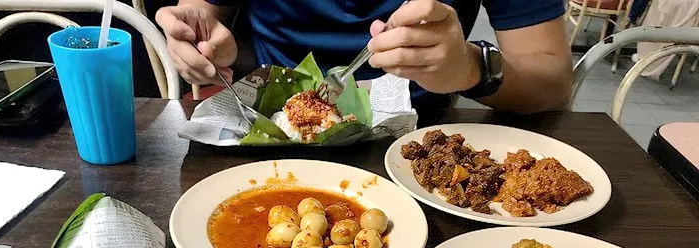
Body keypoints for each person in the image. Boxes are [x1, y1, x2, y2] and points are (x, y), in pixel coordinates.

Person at [156, 0, 573, 115]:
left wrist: (471, 69)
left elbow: (551, 80)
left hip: (422, 135)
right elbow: (205, 13)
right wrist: (202, 38)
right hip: (268, 116)